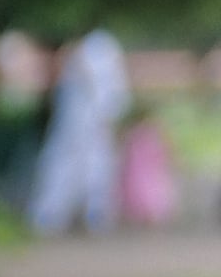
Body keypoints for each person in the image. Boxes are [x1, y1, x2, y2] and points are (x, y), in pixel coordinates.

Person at [28, 26, 128, 237]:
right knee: (71, 167)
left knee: (92, 170)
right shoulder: (89, 58)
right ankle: (55, 216)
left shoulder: (92, 53)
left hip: (89, 128)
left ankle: (88, 216)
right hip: (79, 129)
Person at [117, 104, 183, 229]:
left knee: (144, 201)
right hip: (146, 174)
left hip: (141, 173)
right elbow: (166, 150)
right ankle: (148, 226)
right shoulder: (150, 133)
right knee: (149, 200)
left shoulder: (135, 133)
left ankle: (145, 225)